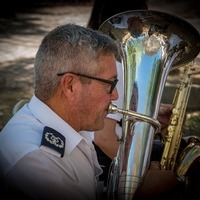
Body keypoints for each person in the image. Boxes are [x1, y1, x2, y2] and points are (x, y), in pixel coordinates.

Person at [0, 23, 121, 200]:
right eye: (110, 84)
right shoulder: (35, 160)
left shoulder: (70, 121)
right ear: (70, 86)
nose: (115, 95)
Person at [86, 0, 182, 198]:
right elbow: (103, 138)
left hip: (98, 150)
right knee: (182, 160)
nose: (146, 29)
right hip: (104, 158)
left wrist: (153, 115)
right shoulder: (116, 64)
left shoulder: (91, 51)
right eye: (143, 19)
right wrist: (143, 177)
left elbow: (117, 109)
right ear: (132, 21)